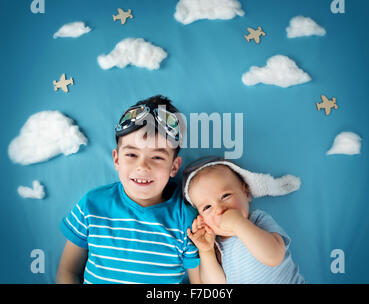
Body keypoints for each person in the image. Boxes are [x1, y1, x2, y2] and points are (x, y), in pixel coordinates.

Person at [56, 95, 201, 284]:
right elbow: (67, 271)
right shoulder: (92, 205)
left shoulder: (186, 222)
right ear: (117, 160)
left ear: (174, 167)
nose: (142, 166)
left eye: (157, 157)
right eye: (132, 154)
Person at [183, 156, 305, 284]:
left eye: (225, 196)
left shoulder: (258, 221)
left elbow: (274, 257)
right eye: (207, 207)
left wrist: (238, 223)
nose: (219, 209)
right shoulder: (216, 246)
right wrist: (206, 252)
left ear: (246, 193)